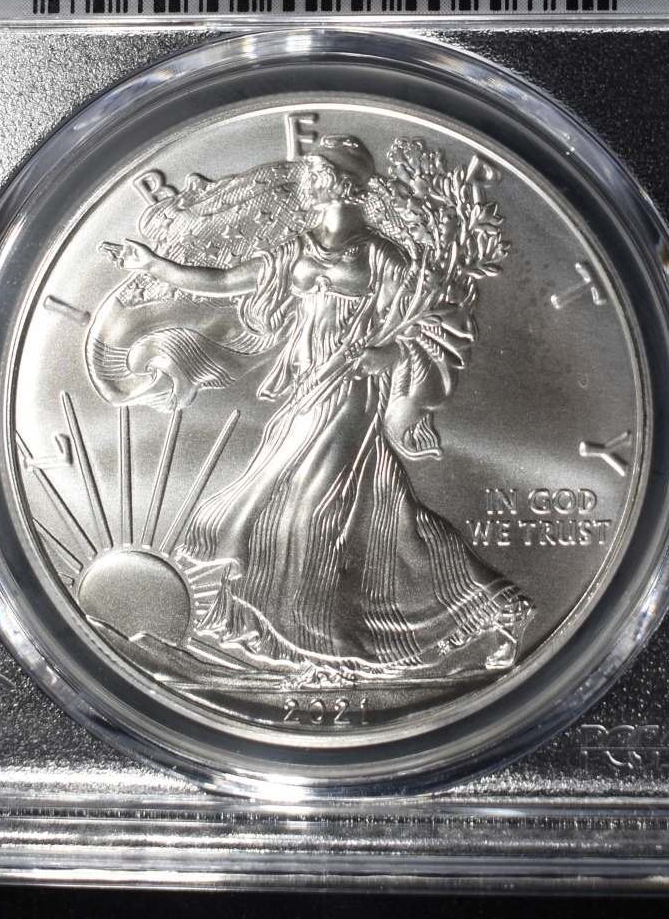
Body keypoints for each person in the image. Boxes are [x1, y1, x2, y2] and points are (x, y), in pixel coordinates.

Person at [108, 136, 532, 683]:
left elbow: (426, 328)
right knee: (341, 508)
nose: (305, 179)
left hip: (351, 393)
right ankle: (484, 610)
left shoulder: (381, 257)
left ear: (341, 183)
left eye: (315, 172)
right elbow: (225, 282)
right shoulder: (296, 250)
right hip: (306, 390)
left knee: (310, 509)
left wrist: (385, 355)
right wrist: (156, 265)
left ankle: (322, 648)